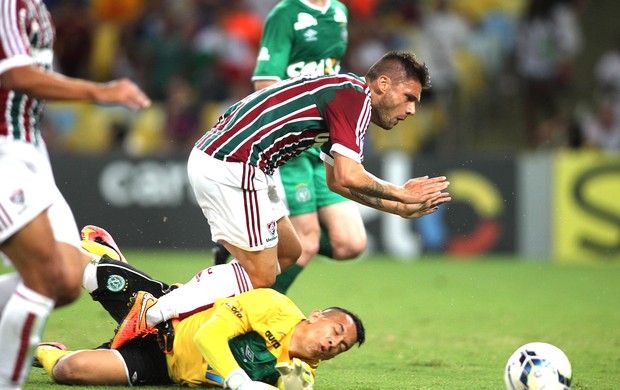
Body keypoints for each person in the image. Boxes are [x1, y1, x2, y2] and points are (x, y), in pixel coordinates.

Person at [111, 50, 451, 350]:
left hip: (243, 162)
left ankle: (194, 300)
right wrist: (401, 192)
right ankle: (155, 311)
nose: (411, 110)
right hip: (235, 163)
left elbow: (336, 182)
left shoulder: (346, 93)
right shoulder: (355, 97)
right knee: (261, 276)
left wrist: (396, 208)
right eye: (409, 97)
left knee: (291, 251)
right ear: (383, 83)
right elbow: (350, 174)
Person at [0, 1, 151, 388]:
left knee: (67, 279)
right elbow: (15, 75)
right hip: (4, 151)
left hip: (30, 149)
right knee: (43, 276)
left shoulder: (34, 6)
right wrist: (98, 92)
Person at [34, 244, 365, 389]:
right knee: (77, 267)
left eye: (342, 346)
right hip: (164, 317)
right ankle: (103, 255)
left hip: (163, 366)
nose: (334, 343)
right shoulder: (273, 306)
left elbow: (295, 389)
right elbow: (209, 336)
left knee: (69, 370)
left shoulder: (299, 373)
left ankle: (43, 349)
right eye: (336, 331)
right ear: (316, 315)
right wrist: (239, 382)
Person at [237, 0, 367, 295]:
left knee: (350, 243)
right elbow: (265, 83)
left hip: (323, 141)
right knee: (306, 243)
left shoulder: (338, 12)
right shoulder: (285, 15)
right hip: (293, 143)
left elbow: (329, 71)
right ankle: (253, 314)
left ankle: (264, 247)